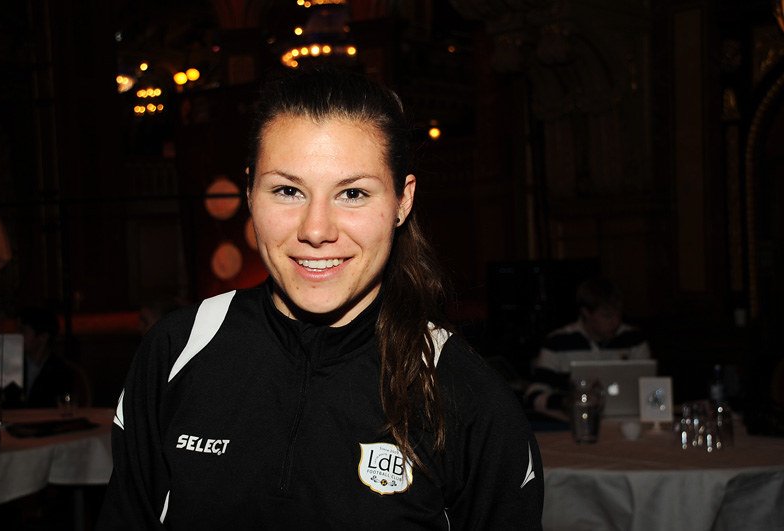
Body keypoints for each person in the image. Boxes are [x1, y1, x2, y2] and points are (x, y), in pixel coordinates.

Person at [97, 67, 543, 529]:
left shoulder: (467, 394)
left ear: (402, 201)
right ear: (250, 192)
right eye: (288, 190)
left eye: (352, 193)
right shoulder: (177, 350)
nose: (315, 230)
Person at [525, 277, 651, 419]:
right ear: (586, 313)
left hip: (629, 421)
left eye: (619, 314)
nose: (615, 321)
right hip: (574, 423)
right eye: (607, 316)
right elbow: (534, 395)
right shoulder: (557, 342)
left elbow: (650, 388)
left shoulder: (634, 339)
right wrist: (568, 402)